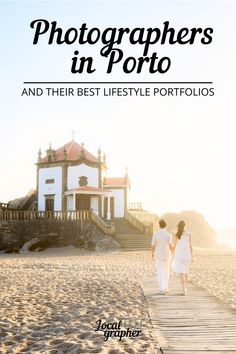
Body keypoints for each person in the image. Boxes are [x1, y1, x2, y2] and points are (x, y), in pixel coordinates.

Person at [172, 220, 193, 295]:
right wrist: (192, 256)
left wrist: (173, 253)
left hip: (179, 255)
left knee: (181, 272)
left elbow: (175, 245)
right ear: (185, 226)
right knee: (186, 271)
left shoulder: (177, 234)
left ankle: (184, 290)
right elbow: (190, 245)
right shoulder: (189, 233)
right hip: (187, 255)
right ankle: (185, 288)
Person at [151, 219, 173, 295]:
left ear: (159, 225)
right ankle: (166, 287)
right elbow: (170, 246)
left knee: (159, 272)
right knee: (166, 271)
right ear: (165, 225)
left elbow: (153, 245)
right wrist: (174, 253)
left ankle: (161, 289)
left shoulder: (156, 234)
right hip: (167, 255)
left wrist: (152, 254)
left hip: (158, 254)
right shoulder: (169, 235)